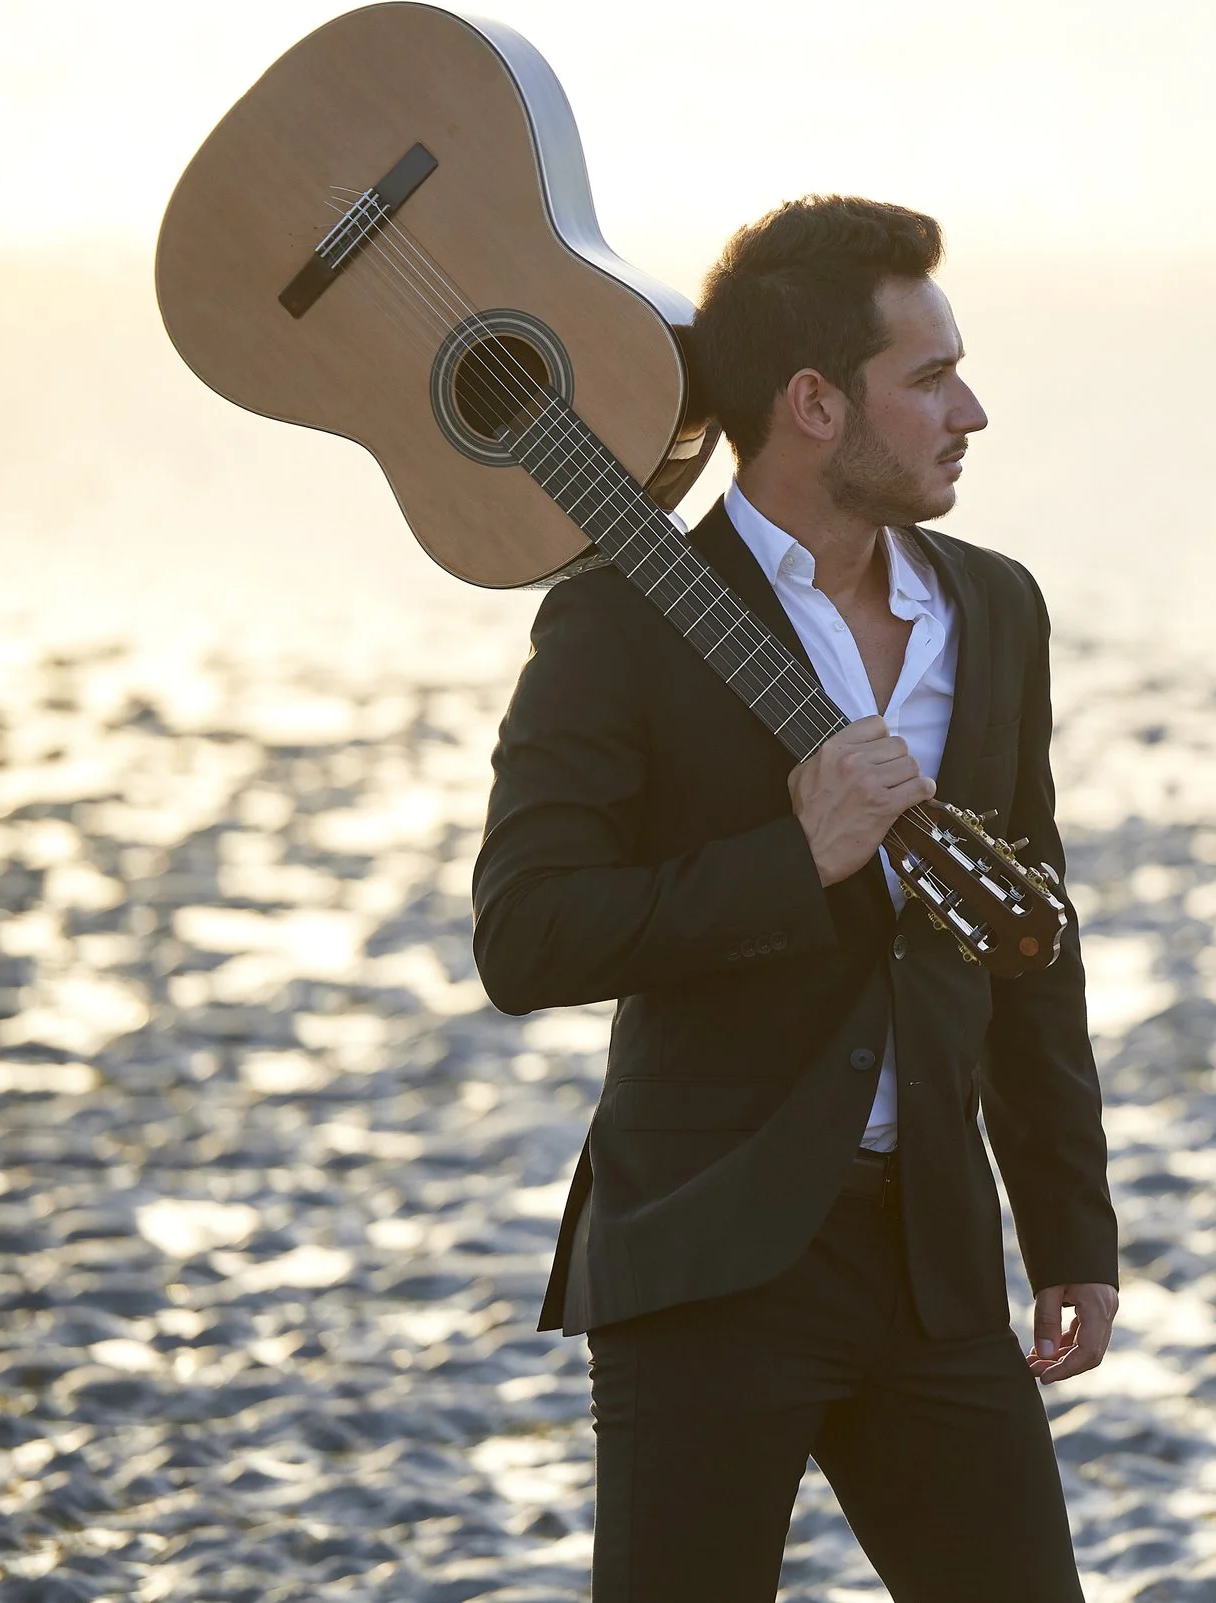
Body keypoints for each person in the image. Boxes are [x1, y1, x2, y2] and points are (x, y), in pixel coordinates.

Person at [471, 195, 1118, 1602]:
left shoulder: (994, 612)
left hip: (933, 1265)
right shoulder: (620, 619)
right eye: (931, 377)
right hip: (707, 1258)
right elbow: (525, 934)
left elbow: (1030, 935)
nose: (973, 410)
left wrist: (1070, 1227)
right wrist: (792, 859)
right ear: (816, 402)